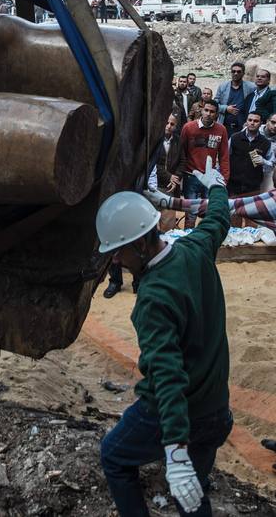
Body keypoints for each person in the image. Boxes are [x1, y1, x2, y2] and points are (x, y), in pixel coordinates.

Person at [98, 159, 233, 517]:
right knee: (191, 492)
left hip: (177, 415)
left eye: (119, 249)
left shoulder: (154, 300)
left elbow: (168, 379)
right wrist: (217, 186)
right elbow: (219, 218)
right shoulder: (195, 248)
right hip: (217, 410)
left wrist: (174, 450)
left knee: (113, 456)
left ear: (141, 243)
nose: (116, 259)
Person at [104, 114, 183, 300]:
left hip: (138, 201)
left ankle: (138, 281)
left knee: (140, 244)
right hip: (116, 202)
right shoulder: (116, 145)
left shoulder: (147, 148)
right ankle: (114, 281)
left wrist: (149, 199)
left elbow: (151, 175)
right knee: (115, 246)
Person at [179, 100, 229, 205]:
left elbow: (224, 156)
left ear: (216, 114)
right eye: (206, 110)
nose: (208, 114)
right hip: (191, 176)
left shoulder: (221, 130)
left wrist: (224, 179)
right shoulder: (188, 127)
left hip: (210, 177)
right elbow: (181, 152)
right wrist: (180, 174)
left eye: (212, 111)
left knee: (209, 211)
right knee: (191, 213)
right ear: (201, 110)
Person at [227, 112, 271, 199]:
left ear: (261, 123)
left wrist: (264, 161)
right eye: (250, 120)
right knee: (230, 211)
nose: (252, 123)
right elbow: (225, 158)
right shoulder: (235, 137)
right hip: (233, 185)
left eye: (255, 121)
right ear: (246, 121)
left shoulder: (266, 142)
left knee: (249, 212)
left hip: (253, 187)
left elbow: (271, 166)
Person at [214, 62, 254, 138]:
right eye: (233, 71)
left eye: (239, 72)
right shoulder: (223, 86)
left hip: (243, 126)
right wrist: (226, 108)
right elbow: (214, 104)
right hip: (225, 125)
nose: (236, 73)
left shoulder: (250, 87)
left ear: (243, 73)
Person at [259, 113, 276, 193]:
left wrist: (263, 161)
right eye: (273, 122)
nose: (275, 126)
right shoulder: (254, 129)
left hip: (268, 176)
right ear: (267, 121)